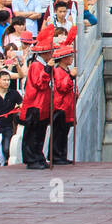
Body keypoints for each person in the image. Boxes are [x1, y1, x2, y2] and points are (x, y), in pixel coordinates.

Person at [20, 27, 56, 169]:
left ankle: (38, 156)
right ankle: (31, 158)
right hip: (34, 105)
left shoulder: (41, 64)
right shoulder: (36, 65)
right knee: (32, 134)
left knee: (40, 133)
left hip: (42, 105)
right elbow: (40, 83)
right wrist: (47, 69)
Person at [51, 44, 76, 165]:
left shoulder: (65, 71)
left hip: (67, 106)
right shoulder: (58, 71)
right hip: (60, 106)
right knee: (58, 132)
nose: (71, 59)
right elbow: (62, 87)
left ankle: (61, 155)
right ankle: (56, 155)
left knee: (63, 132)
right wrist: (71, 77)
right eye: (69, 57)